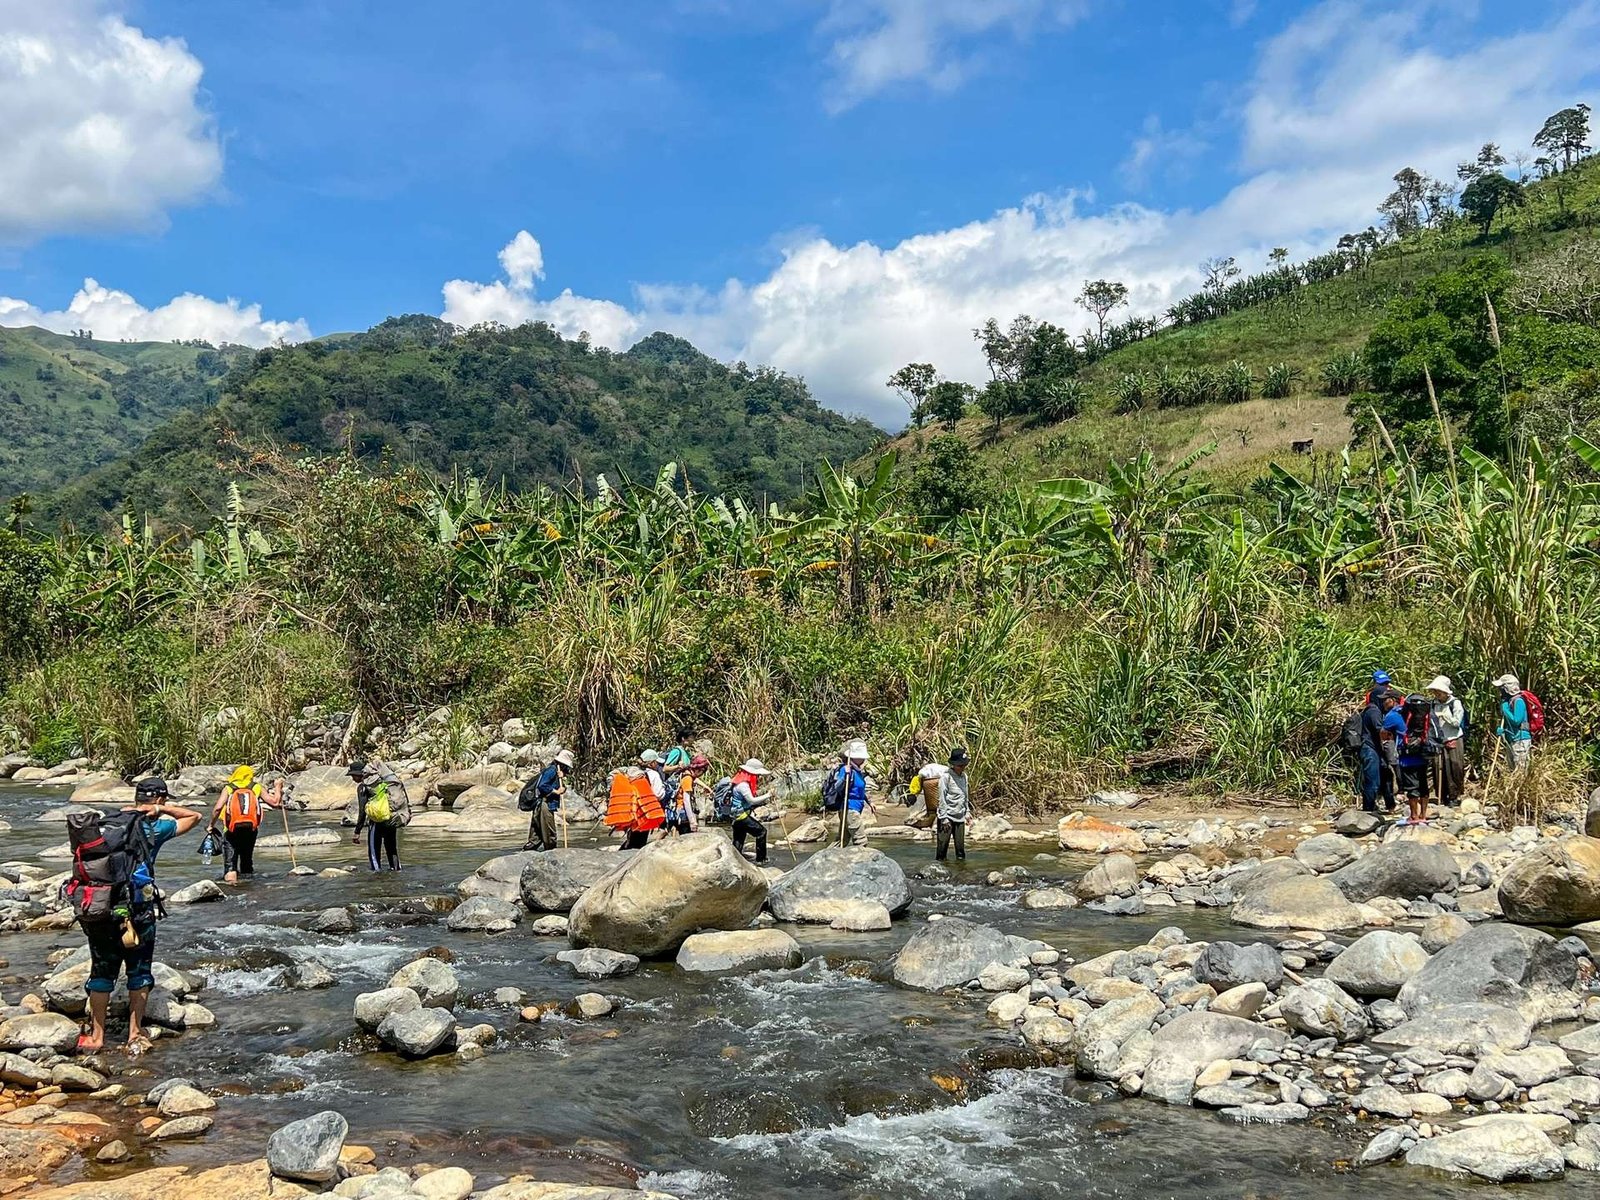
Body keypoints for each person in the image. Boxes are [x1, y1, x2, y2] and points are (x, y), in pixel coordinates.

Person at [77, 778, 201, 1054]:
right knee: (139, 971)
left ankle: (97, 1036)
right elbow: (195, 816)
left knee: (101, 971)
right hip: (138, 910)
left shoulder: (105, 825)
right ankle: (135, 1032)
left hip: (100, 908)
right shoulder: (153, 827)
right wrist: (162, 811)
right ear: (159, 800)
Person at [210, 765, 283, 883]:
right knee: (247, 860)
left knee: (231, 863)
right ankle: (249, 888)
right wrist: (278, 787)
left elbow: (217, 808)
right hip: (251, 830)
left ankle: (232, 892)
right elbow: (275, 802)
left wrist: (211, 825)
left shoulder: (229, 788)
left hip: (231, 830)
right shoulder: (256, 787)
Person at [351, 759, 411, 871]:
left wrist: (357, 832)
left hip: (376, 823)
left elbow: (362, 811)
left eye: (353, 775)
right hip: (391, 818)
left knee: (374, 852)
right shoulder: (384, 783)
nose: (352, 778)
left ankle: (377, 876)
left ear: (359, 774)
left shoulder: (364, 787)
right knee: (392, 849)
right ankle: (397, 871)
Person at [1427, 675, 1467, 808]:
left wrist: (1445, 715)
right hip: (1439, 740)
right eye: (1435, 692)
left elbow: (1457, 722)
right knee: (1439, 766)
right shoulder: (1433, 703)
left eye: (1439, 692)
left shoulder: (1455, 703)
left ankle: (1454, 795)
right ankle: (1441, 795)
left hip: (1453, 738)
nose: (1437, 694)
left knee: (1454, 767)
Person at [522, 750, 574, 851]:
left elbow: (559, 787)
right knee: (549, 834)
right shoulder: (551, 770)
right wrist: (556, 791)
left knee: (537, 836)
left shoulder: (557, 772)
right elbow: (542, 785)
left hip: (544, 804)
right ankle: (551, 853)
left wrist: (562, 783)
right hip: (544, 805)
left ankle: (529, 851)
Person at [1394, 694, 1432, 825]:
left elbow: (1385, 732)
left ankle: (1414, 816)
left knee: (1411, 787)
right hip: (1423, 755)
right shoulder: (1429, 714)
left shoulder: (1398, 715)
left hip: (1407, 757)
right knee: (1423, 785)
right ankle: (1423, 814)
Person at [728, 758, 772, 863]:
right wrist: (768, 795)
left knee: (739, 840)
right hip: (741, 815)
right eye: (757, 775)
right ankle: (761, 860)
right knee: (761, 832)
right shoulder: (743, 785)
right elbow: (751, 801)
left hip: (736, 816)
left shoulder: (738, 779)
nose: (758, 777)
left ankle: (735, 861)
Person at [831, 740, 874, 846]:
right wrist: (845, 776)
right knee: (861, 840)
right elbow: (837, 787)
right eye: (861, 757)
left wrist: (870, 802)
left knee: (842, 841)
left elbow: (860, 791)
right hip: (849, 808)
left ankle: (826, 856)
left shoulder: (858, 772)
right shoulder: (846, 770)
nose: (863, 759)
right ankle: (861, 861)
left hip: (855, 808)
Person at [935, 747, 972, 862]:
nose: (962, 768)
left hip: (960, 817)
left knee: (960, 851)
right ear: (954, 765)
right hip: (947, 817)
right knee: (942, 850)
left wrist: (967, 812)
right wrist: (944, 818)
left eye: (963, 765)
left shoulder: (964, 777)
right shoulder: (946, 778)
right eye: (960, 765)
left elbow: (965, 795)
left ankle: (961, 873)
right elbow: (941, 799)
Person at [1494, 673, 1533, 774]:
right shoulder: (1509, 701)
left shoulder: (1518, 701)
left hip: (1521, 741)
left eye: (1501, 688)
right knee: (1512, 770)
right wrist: (1503, 732)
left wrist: (1505, 709)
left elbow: (1516, 721)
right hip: (1512, 740)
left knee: (1520, 773)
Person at [1356, 690, 1388, 813]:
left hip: (1369, 748)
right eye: (1383, 699)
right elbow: (1380, 730)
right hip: (1370, 749)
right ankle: (1368, 809)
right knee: (1372, 782)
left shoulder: (1368, 710)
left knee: (1375, 779)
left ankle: (1371, 806)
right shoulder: (1374, 712)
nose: (1385, 701)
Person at [664, 754, 709, 836]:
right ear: (699, 769)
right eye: (703, 771)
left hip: (676, 810)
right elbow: (686, 800)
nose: (702, 774)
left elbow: (695, 779)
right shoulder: (688, 778)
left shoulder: (684, 772)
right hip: (682, 811)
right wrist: (692, 821)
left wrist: (705, 786)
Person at [1377, 692, 1406, 814]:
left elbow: (1381, 733)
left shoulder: (1391, 716)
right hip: (1408, 745)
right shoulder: (1402, 711)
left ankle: (1400, 790)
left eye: (1385, 700)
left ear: (1393, 700)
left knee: (1394, 765)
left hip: (1399, 745)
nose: (1383, 702)